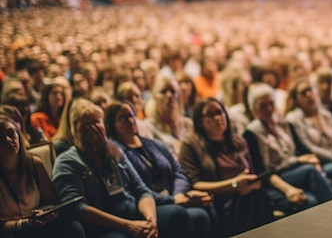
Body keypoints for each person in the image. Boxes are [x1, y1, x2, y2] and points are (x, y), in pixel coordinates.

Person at [52, 98, 194, 238]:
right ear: (75, 130)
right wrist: (127, 225)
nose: (94, 129)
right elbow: (77, 208)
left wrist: (151, 221)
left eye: (96, 122)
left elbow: (141, 190)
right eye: (86, 125)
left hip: (132, 212)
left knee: (176, 214)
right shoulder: (67, 162)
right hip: (103, 226)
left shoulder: (114, 152)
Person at [104, 101, 213, 238]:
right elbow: (135, 189)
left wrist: (178, 194)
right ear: (111, 124)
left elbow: (178, 172)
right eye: (123, 118)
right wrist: (173, 201)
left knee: (203, 211)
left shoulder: (152, 144)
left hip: (174, 197)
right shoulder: (116, 153)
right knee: (177, 214)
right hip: (149, 206)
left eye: (132, 115)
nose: (130, 121)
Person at [179, 98, 274, 237]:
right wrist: (234, 184)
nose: (217, 118)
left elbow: (250, 173)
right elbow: (195, 184)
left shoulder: (239, 142)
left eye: (220, 112)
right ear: (200, 122)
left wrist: (252, 183)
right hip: (218, 202)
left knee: (257, 195)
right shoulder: (190, 145)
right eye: (210, 115)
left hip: (246, 197)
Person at [242, 83, 332, 215]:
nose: (269, 109)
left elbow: (302, 149)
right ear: (254, 110)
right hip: (274, 180)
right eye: (263, 106)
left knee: (314, 170)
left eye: (271, 104)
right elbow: (262, 173)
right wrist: (288, 189)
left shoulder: (283, 123)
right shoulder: (251, 134)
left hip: (293, 172)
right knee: (311, 198)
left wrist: (311, 159)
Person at [0, 118, 85, 238]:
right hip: (11, 230)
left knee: (73, 227)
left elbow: (50, 201)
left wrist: (47, 212)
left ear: (18, 135)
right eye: (0, 137)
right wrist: (25, 222)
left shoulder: (34, 164)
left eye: (10, 133)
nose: (8, 140)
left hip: (36, 224)